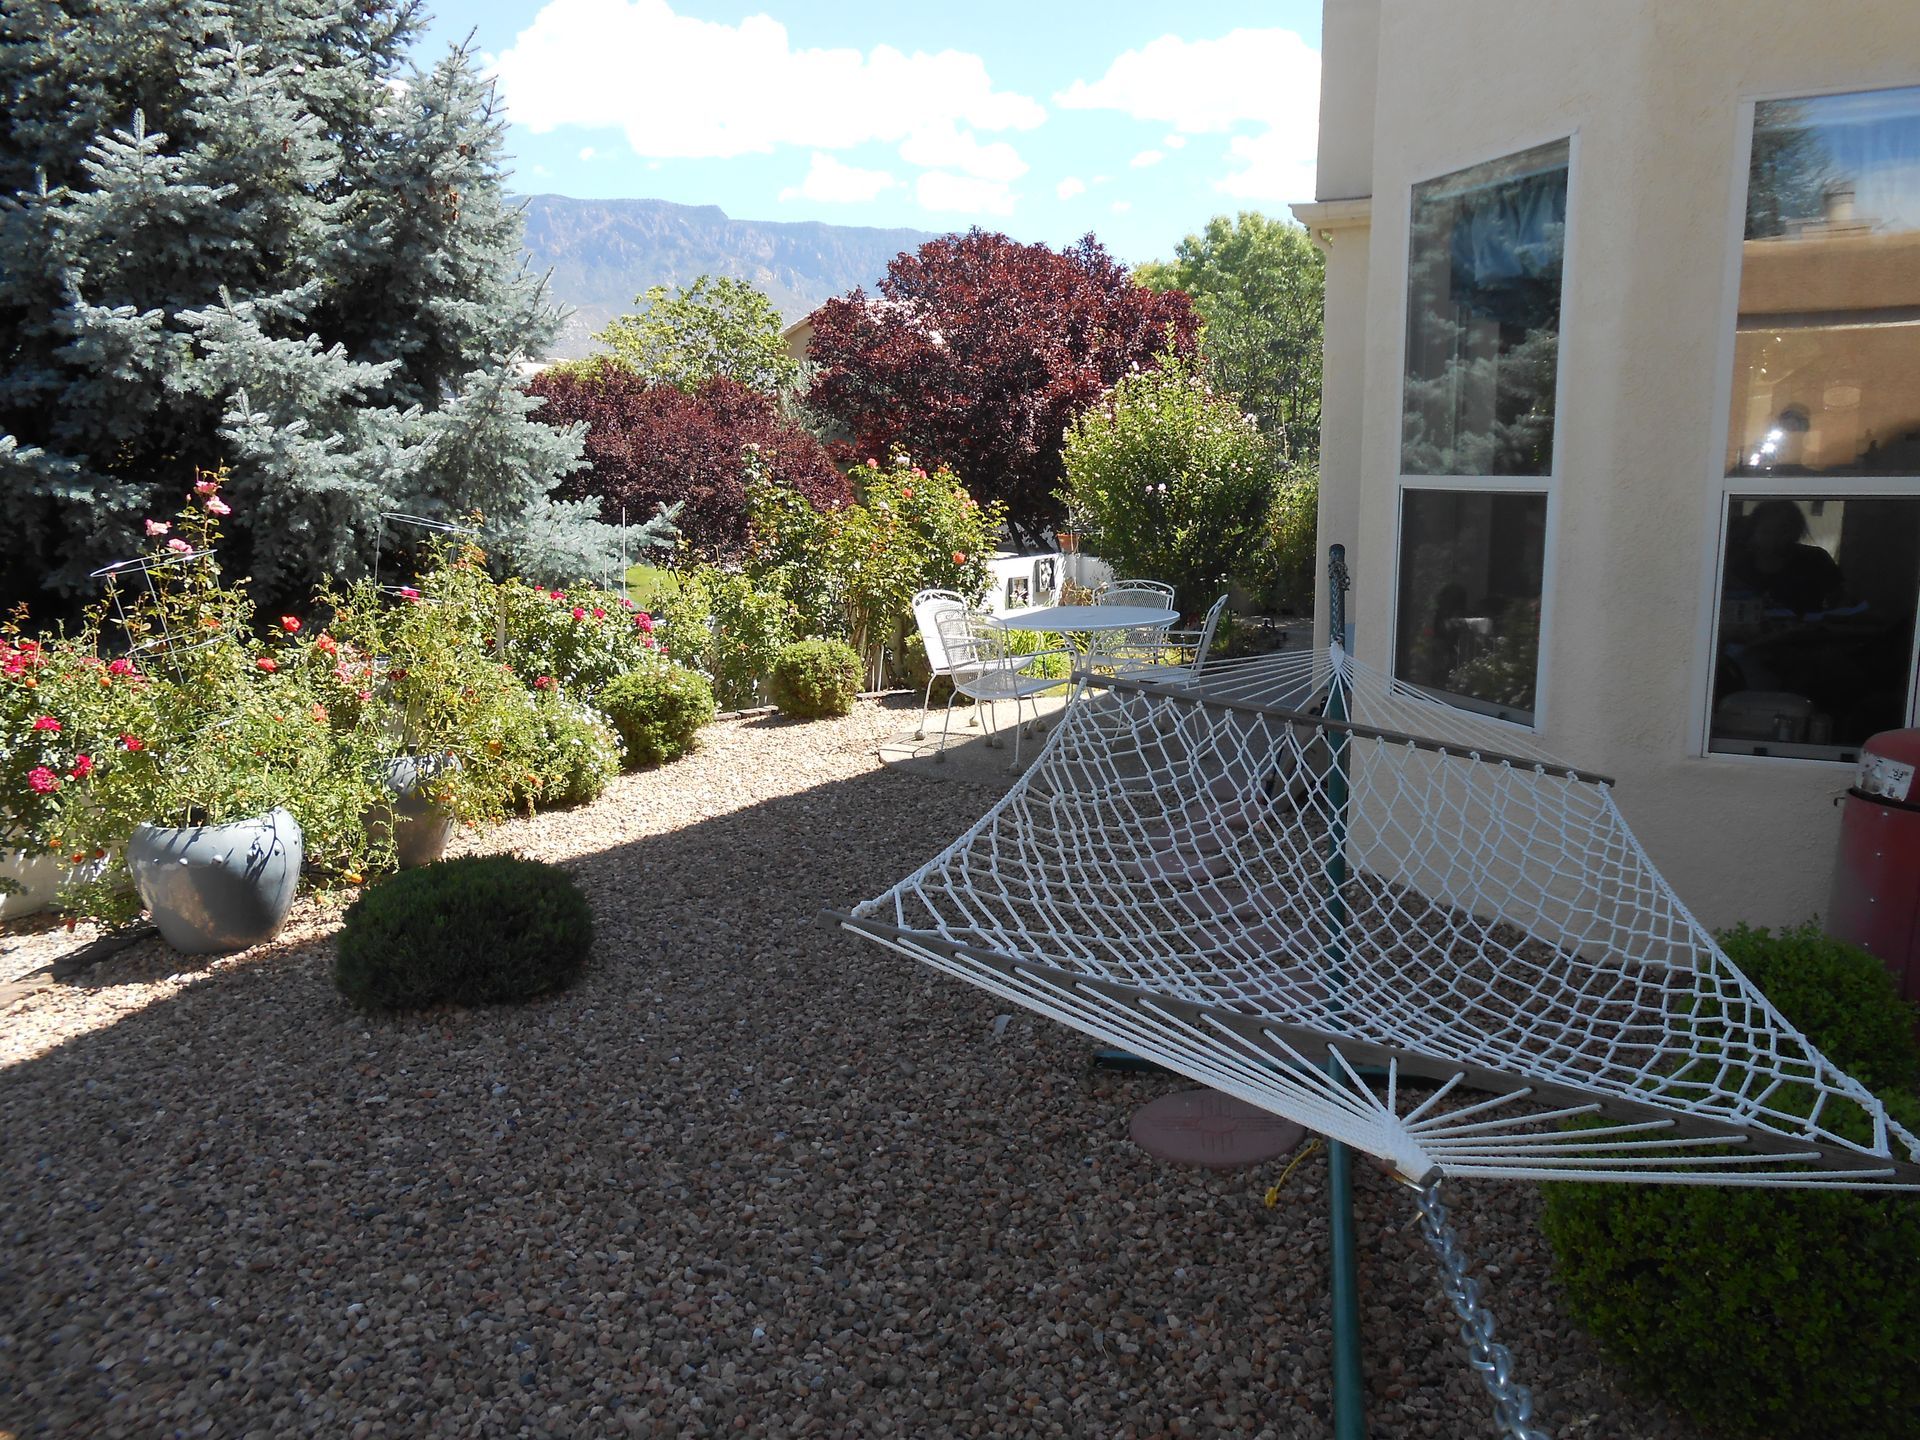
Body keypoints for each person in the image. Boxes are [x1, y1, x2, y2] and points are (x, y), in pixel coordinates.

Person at [1725, 499, 1844, 616]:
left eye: (1782, 531)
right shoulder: (1736, 565)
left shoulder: (1816, 560)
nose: (1773, 538)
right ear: (1753, 532)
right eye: (1766, 531)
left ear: (1796, 531)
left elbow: (1841, 602)